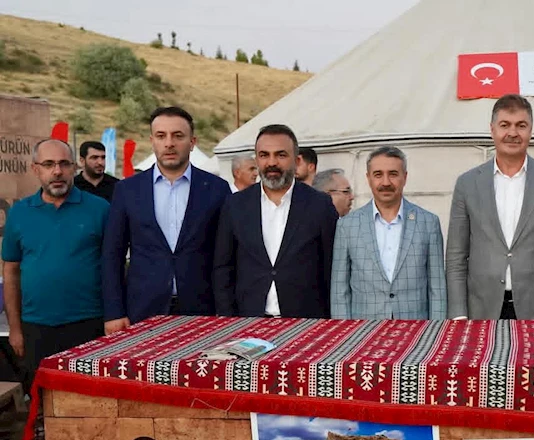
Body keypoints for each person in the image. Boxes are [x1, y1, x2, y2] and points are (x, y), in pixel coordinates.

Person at [446, 94, 534, 320]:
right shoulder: (467, 184)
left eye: (521, 125)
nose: (513, 133)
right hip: (481, 310)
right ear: (492, 130)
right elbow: (456, 256)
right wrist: (458, 315)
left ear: (531, 130)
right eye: (505, 125)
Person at [102, 107, 231, 332]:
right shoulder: (127, 190)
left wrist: (226, 310)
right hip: (142, 310)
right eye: (161, 136)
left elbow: (228, 255)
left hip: (203, 309)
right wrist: (114, 312)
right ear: (152, 141)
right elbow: (113, 254)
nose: (169, 143)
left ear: (192, 142)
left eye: (178, 136)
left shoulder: (216, 189)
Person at [2, 139, 109, 386]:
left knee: (88, 398)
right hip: (36, 327)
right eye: (48, 164)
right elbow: (11, 272)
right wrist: (15, 329)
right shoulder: (19, 213)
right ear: (35, 169)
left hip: (89, 324)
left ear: (74, 167)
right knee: (42, 398)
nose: (57, 171)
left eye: (63, 164)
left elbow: (115, 267)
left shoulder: (100, 210)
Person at [213, 124, 338, 318]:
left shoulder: (320, 205)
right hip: (248, 320)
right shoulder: (235, 205)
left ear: (296, 161)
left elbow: (332, 268)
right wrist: (228, 318)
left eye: (281, 155)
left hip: (306, 321)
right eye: (264, 155)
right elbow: (223, 268)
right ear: (257, 160)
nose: (272, 162)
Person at [331, 147, 446, 319]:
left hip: (415, 327)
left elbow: (437, 288)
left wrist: (436, 329)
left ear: (404, 177)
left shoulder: (428, 223)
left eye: (393, 174)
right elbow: (339, 291)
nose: (386, 182)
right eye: (378, 174)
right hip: (364, 328)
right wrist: (345, 330)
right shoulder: (347, 226)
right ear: (368, 178)